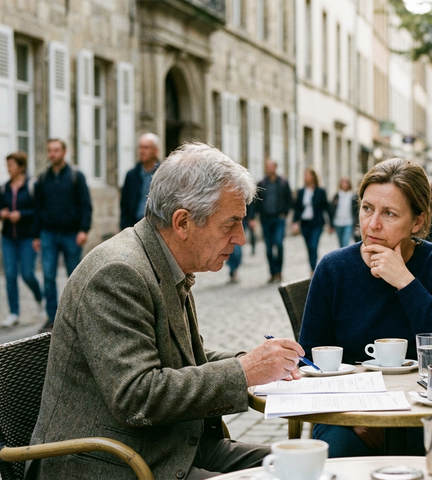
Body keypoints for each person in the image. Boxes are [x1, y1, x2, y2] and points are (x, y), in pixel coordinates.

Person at [28, 143, 306, 479]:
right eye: (231, 223)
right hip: (112, 462)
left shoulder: (165, 260)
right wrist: (245, 370)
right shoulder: (118, 273)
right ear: (183, 222)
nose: (241, 238)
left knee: (303, 467)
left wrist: (258, 363)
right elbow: (138, 395)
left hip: (165, 445)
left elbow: (187, 362)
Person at [299, 157, 432, 458]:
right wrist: (356, 417)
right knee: (340, 447)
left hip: (425, 409)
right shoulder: (333, 268)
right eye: (367, 209)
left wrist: (405, 281)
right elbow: (308, 360)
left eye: (389, 213)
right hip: (348, 415)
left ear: (417, 221)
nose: (373, 224)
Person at [33, 139, 92, 332]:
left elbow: (85, 204)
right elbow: (38, 208)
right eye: (50, 151)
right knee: (48, 275)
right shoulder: (43, 178)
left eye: (56, 150)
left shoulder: (76, 176)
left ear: (64, 152)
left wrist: (83, 229)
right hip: (48, 234)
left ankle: (75, 315)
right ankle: (52, 318)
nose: (53, 154)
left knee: (73, 276)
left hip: (71, 234)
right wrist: (36, 235)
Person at [0, 152, 44, 327]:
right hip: (9, 237)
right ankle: (14, 313)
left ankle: (40, 298)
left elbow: (39, 210)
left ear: (20, 167)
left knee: (27, 274)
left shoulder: (32, 185)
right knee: (10, 275)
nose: (8, 168)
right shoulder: (4, 188)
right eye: (7, 165)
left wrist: (22, 215)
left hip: (27, 237)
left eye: (11, 165)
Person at [256, 159, 293, 283]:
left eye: (271, 166)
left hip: (279, 219)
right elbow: (256, 201)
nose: (269, 169)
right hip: (266, 219)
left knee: (279, 243)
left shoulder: (282, 182)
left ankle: (279, 271)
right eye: (267, 166)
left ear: (275, 168)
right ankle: (272, 272)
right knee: (268, 247)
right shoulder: (261, 183)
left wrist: (285, 212)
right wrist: (253, 218)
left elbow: (289, 198)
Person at [120, 133, 161, 230]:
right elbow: (124, 204)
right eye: (140, 147)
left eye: (146, 148)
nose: (142, 151)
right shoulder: (131, 175)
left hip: (156, 226)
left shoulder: (163, 174)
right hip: (134, 225)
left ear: (155, 150)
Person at [292, 168, 329, 273]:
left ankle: (313, 270)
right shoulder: (301, 191)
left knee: (313, 245)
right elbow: (298, 208)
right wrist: (295, 222)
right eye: (305, 175)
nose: (306, 177)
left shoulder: (320, 191)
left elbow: (326, 207)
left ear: (313, 176)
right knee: (309, 247)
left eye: (308, 175)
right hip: (305, 223)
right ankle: (312, 267)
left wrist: (330, 224)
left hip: (317, 223)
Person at [329, 176, 358, 248]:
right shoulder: (337, 195)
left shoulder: (353, 195)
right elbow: (332, 209)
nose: (344, 184)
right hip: (338, 222)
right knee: (340, 243)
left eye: (346, 182)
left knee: (345, 242)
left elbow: (356, 210)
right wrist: (331, 224)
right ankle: (342, 256)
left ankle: (344, 257)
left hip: (348, 222)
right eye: (343, 182)